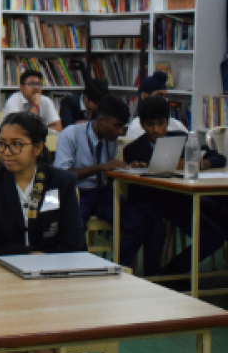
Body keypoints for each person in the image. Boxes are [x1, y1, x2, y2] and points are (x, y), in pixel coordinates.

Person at [0, 111, 85, 353]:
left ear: (37, 147)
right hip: (3, 277)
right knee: (12, 335)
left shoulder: (60, 182)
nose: (6, 152)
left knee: (46, 335)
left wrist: (35, 259)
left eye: (16, 145)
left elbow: (74, 245)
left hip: (52, 279)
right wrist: (30, 256)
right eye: (1, 144)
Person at [123, 96, 228, 277]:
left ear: (167, 122)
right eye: (150, 125)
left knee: (221, 215)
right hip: (159, 202)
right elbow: (133, 190)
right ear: (142, 125)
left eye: (161, 123)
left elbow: (218, 158)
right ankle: (171, 274)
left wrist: (200, 163)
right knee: (212, 235)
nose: (156, 130)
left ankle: (174, 272)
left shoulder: (181, 139)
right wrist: (139, 169)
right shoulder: (133, 149)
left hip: (186, 196)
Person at [54, 95, 163, 267]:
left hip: (103, 192)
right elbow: (62, 175)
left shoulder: (110, 138)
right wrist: (100, 167)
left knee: (141, 223)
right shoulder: (71, 134)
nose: (120, 132)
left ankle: (116, 267)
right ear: (101, 121)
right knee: (73, 229)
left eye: (123, 127)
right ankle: (74, 269)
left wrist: (128, 167)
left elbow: (108, 170)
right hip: (78, 193)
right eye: (117, 126)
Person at [125, 70, 188, 141]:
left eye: (165, 96)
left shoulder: (176, 124)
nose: (164, 100)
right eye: (159, 95)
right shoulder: (136, 127)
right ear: (144, 96)